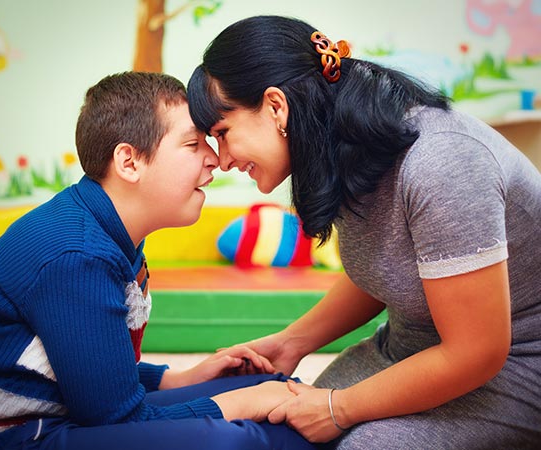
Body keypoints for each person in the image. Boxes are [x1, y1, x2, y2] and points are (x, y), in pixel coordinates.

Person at [187, 15, 541, 449]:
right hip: (411, 347)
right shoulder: (342, 144)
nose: (221, 161)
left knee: (362, 443)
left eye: (223, 133)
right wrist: (291, 342)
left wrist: (340, 408)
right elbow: (388, 266)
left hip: (515, 366)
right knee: (289, 425)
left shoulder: (442, 161)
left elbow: (478, 351)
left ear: (276, 106)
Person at [0, 71, 317, 450]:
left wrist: (182, 379)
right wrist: (239, 405)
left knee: (269, 389)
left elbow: (94, 372)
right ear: (129, 162)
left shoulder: (110, 233)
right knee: (236, 436)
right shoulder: (77, 255)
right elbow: (120, 419)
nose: (215, 160)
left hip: (57, 414)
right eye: (192, 144)